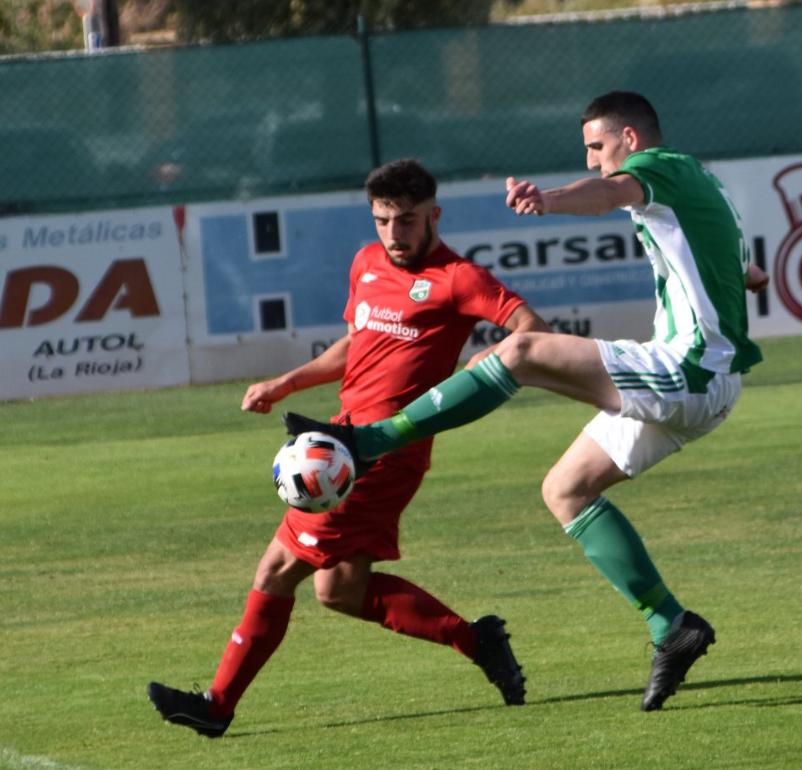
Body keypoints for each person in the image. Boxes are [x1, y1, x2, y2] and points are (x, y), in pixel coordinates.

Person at [287, 91, 769, 711]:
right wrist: (744, 280)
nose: (595, 161)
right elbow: (746, 269)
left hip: (689, 371)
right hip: (699, 381)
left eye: (598, 147)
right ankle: (671, 627)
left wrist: (550, 199)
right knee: (565, 489)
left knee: (520, 353)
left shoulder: (658, 169)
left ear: (629, 136)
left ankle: (371, 440)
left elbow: (609, 192)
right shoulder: (702, 184)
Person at [148, 158, 544, 737]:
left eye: (406, 220)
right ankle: (476, 639)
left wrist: (478, 373)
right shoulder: (365, 263)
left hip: (383, 455)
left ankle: (217, 705)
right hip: (342, 438)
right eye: (383, 220)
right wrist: (287, 382)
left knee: (277, 567)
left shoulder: (459, 278)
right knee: (340, 589)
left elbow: (532, 330)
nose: (393, 233)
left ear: (433, 215)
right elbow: (359, 342)